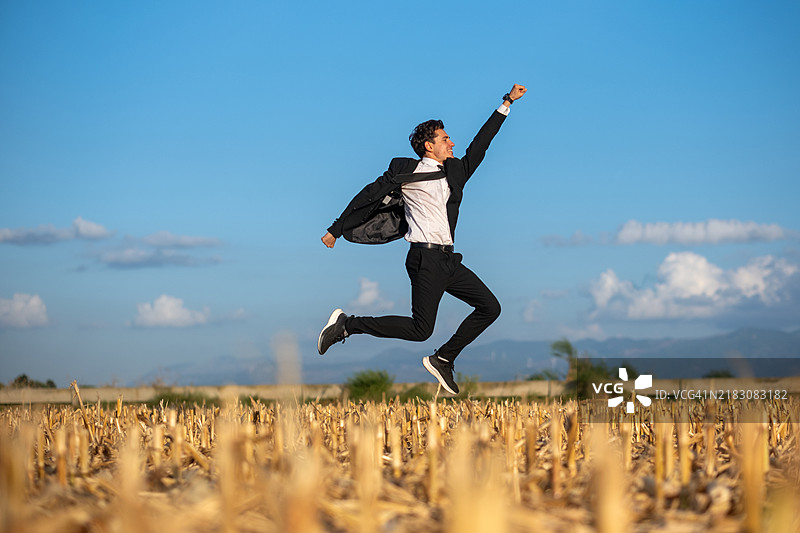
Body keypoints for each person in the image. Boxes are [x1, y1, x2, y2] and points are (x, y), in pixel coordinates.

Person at [318, 83, 527, 394]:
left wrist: (507, 103)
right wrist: (336, 229)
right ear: (429, 146)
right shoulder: (407, 172)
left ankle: (443, 358)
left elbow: (480, 145)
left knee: (490, 308)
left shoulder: (455, 172)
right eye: (445, 139)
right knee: (420, 330)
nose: (452, 143)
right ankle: (348, 324)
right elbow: (367, 195)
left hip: (448, 259)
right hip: (424, 258)